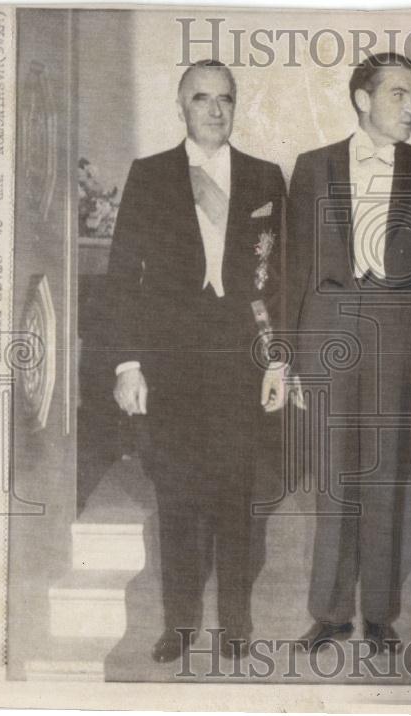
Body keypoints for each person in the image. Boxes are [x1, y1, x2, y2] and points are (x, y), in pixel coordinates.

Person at [106, 60, 288, 664]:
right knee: (178, 499)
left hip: (239, 361)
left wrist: (276, 362)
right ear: (180, 106)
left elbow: (280, 282)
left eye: (226, 100)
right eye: (202, 99)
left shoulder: (265, 178)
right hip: (171, 365)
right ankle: (180, 624)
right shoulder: (150, 174)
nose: (215, 110)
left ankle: (235, 623)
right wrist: (127, 364)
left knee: (238, 499)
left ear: (236, 107)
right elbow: (122, 278)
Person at [285, 53, 411, 655]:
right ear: (363, 99)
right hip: (327, 338)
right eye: (399, 95)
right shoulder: (311, 167)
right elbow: (293, 270)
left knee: (386, 478)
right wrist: (290, 359)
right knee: (333, 481)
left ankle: (381, 615)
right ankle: (330, 613)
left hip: (401, 341)